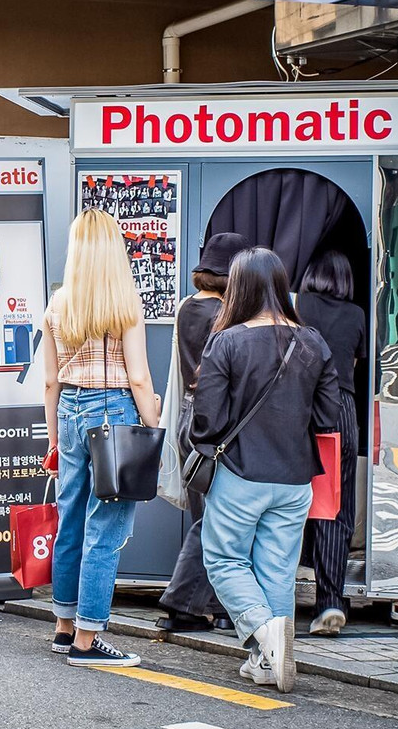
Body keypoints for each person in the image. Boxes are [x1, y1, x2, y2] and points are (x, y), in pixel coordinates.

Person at [192, 247, 341, 693]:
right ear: (279, 284)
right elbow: (328, 416)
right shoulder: (313, 342)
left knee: (224, 558)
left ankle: (265, 634)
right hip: (296, 479)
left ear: (239, 288)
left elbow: (208, 419)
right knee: (277, 571)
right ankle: (267, 662)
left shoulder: (227, 341)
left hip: (241, 472)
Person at [43, 210, 159, 668]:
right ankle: (88, 642)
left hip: (70, 411)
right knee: (105, 528)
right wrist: (151, 427)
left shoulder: (57, 304)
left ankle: (64, 626)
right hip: (113, 411)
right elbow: (141, 378)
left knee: (70, 519)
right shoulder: (124, 304)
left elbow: (50, 381)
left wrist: (53, 438)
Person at [157, 232, 249, 633]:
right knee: (221, 520)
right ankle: (193, 603)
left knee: (209, 515)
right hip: (217, 419)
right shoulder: (228, 315)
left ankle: (204, 605)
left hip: (187, 419)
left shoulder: (185, 307)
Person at [297, 251, 366, 636]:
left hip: (298, 408)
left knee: (284, 501)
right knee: (334, 508)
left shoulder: (296, 305)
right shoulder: (356, 315)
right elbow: (353, 366)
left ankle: (276, 601)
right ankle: (330, 602)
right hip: (340, 410)